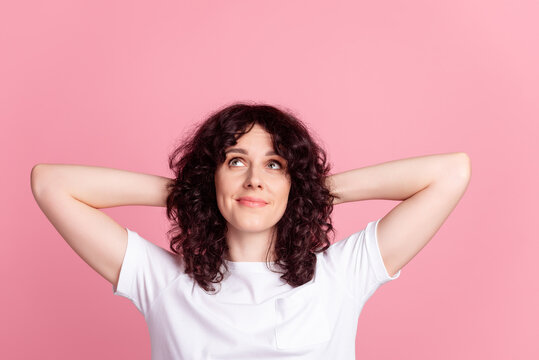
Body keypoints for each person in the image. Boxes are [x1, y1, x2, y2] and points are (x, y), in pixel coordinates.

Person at [30, 102, 471, 359]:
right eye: (236, 161)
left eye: (275, 165)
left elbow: (451, 173)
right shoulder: (163, 282)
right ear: (213, 175)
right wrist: (191, 190)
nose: (254, 180)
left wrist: (308, 190)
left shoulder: (340, 277)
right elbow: (51, 183)